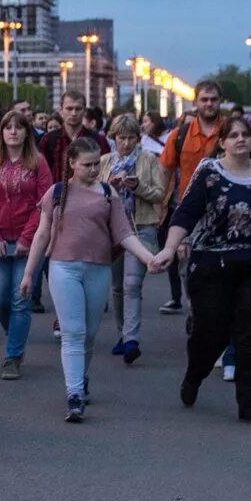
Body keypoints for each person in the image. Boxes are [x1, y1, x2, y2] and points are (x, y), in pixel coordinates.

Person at [151, 116, 251, 427]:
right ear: (223, 142)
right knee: (210, 334)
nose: (241, 139)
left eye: (246, 135)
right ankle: (194, 375)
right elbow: (186, 214)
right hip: (215, 264)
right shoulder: (210, 173)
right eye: (234, 135)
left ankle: (250, 405)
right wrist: (170, 249)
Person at [22, 138, 162, 422]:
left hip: (98, 269)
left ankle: (80, 378)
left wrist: (148, 258)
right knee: (72, 332)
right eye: (87, 164)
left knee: (89, 334)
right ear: (72, 164)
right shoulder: (57, 192)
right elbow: (42, 233)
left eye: (97, 163)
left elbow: (124, 234)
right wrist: (29, 272)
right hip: (63, 268)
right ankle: (73, 395)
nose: (94, 168)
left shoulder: (109, 194)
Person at [0, 110, 53, 380]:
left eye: (19, 127)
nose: (13, 131)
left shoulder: (38, 163)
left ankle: (12, 356)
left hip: (29, 243)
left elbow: (44, 204)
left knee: (20, 301)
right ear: (1, 133)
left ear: (27, 133)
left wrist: (26, 238)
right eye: (7, 127)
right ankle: (16, 336)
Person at [34, 91, 110, 318]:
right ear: (61, 110)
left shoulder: (98, 140)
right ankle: (63, 315)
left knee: (89, 255)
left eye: (78, 108)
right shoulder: (50, 139)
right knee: (58, 259)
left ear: (84, 110)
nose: (74, 113)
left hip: (90, 207)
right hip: (58, 204)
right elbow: (40, 172)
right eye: (69, 108)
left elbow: (105, 172)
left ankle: (91, 299)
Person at [100, 114, 166, 364]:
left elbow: (159, 194)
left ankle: (131, 339)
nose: (125, 143)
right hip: (112, 230)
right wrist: (112, 186)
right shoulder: (105, 161)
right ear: (113, 138)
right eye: (120, 138)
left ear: (139, 139)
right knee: (116, 286)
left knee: (131, 283)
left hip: (141, 228)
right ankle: (122, 333)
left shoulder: (149, 160)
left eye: (130, 138)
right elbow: (95, 195)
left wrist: (138, 187)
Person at [157, 80, 226, 314]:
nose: (209, 104)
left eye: (213, 99)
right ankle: (196, 314)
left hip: (224, 211)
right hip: (189, 211)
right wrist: (161, 205)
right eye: (204, 99)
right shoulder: (179, 135)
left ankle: (217, 315)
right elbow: (165, 171)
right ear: (195, 102)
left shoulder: (230, 132)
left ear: (220, 101)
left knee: (222, 267)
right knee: (189, 267)